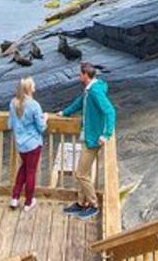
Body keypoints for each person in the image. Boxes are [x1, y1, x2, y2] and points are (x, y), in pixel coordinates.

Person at [59, 61, 116, 219]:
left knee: (81, 174)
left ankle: (93, 204)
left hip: (93, 139)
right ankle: (80, 202)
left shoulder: (95, 91)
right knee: (82, 172)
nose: (79, 76)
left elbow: (110, 111)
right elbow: (80, 103)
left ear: (85, 75)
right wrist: (65, 113)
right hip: (88, 135)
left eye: (80, 74)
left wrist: (106, 134)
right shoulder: (89, 90)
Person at [8, 76, 47, 211]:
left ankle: (15, 197)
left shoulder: (13, 103)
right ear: (29, 89)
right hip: (33, 144)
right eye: (33, 85)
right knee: (31, 172)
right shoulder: (34, 105)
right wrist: (45, 119)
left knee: (23, 169)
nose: (35, 87)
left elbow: (9, 124)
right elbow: (41, 127)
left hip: (20, 145)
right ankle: (28, 202)